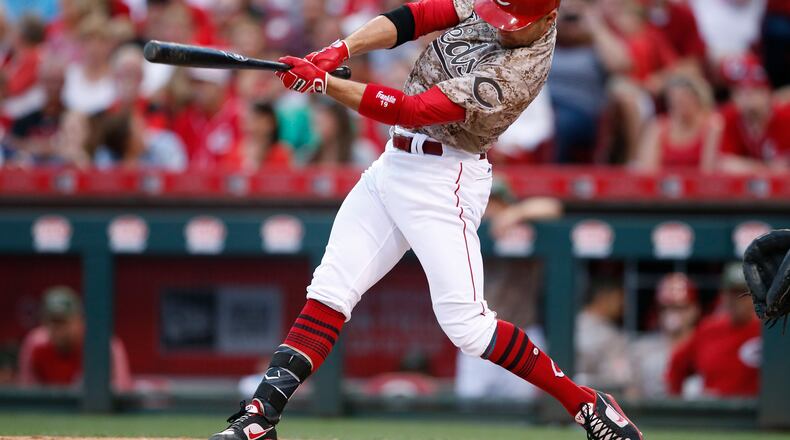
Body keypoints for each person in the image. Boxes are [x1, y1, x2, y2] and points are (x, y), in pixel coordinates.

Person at [209, 1, 643, 439]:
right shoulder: (494, 3)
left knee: (468, 328)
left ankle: (586, 403)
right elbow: (416, 18)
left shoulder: (518, 73)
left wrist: (325, 84)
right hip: (393, 162)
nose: (502, 29)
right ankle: (260, 417)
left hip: (443, 178)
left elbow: (413, 110)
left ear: (548, 19)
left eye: (515, 26)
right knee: (330, 291)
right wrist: (340, 49)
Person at [666, 263, 762, 399]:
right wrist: (676, 403)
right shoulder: (709, 329)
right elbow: (677, 365)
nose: (737, 300)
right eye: (732, 293)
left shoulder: (767, 331)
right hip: (715, 409)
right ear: (723, 295)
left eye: (743, 293)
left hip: (756, 409)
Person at [17, 286, 132, 391]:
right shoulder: (35, 344)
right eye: (52, 321)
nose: (58, 329)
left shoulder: (102, 344)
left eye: (63, 321)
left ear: (80, 321)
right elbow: (27, 390)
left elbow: (122, 391)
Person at [627, 273, 700, 399]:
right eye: (665, 308)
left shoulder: (705, 344)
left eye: (679, 308)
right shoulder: (642, 348)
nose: (672, 314)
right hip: (652, 409)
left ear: (694, 309)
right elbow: (632, 394)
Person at [716, 54, 790, 172]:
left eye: (754, 91)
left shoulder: (785, 117)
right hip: (746, 183)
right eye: (740, 91)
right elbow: (722, 163)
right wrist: (766, 168)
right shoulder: (729, 117)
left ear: (767, 93)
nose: (747, 98)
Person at [633, 74, 721, 171]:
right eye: (676, 101)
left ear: (698, 100)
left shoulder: (711, 125)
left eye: (685, 100)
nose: (680, 105)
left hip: (698, 180)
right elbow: (648, 168)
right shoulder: (659, 127)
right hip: (665, 180)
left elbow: (708, 169)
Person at [575, 276, 631, 392]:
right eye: (619, 297)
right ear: (603, 297)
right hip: (591, 396)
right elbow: (621, 379)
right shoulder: (609, 335)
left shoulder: (571, 323)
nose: (623, 304)